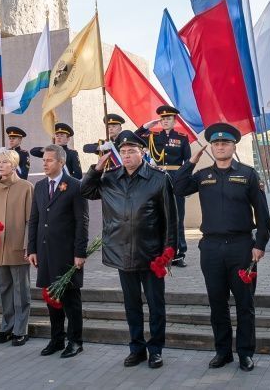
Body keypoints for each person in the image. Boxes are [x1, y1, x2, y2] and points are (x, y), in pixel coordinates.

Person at [172, 123, 270, 372]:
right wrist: (191, 162)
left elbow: (263, 215)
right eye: (216, 144)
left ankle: (245, 353)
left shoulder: (248, 175)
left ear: (233, 147)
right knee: (217, 304)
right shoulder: (203, 176)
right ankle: (223, 352)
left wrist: (260, 245)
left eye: (225, 143)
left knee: (245, 304)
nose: (220, 147)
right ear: (212, 148)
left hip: (241, 248)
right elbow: (178, 187)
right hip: (211, 249)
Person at [81, 130, 177, 370]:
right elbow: (85, 191)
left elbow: (170, 219)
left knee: (156, 306)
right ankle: (137, 349)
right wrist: (96, 168)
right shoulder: (110, 178)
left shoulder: (158, 178)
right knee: (132, 306)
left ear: (141, 152)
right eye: (123, 152)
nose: (126, 155)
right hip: (122, 253)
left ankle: (156, 350)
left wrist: (168, 253)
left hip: (151, 255)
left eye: (131, 151)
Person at [28, 144, 89, 358]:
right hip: (45, 252)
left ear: (61, 162)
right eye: (43, 160)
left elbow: (82, 222)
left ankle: (75, 341)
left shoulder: (74, 186)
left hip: (67, 253)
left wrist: (80, 252)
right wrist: (32, 249)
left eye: (49, 160)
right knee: (51, 298)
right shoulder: (40, 186)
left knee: (70, 300)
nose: (44, 163)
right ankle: (56, 339)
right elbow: (34, 219)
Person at [0, 149, 34, 346]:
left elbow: (31, 221)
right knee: (4, 288)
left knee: (21, 289)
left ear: (14, 165)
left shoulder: (26, 187)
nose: (1, 165)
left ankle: (21, 329)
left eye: (5, 162)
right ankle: (7, 327)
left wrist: (28, 246)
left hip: (18, 247)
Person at [136, 105, 192, 267]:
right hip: (156, 179)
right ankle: (158, 252)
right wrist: (146, 126)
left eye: (169, 118)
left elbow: (188, 162)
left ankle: (178, 254)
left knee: (177, 217)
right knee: (155, 216)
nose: (165, 121)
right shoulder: (152, 136)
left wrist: (186, 182)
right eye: (163, 118)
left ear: (175, 121)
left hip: (175, 180)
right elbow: (133, 137)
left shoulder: (182, 138)